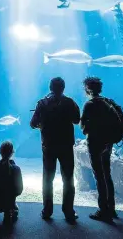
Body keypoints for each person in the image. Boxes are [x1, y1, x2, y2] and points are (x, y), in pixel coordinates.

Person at [30, 77, 80, 224]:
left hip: (48, 145)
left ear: (50, 87)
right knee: (68, 178)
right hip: (66, 145)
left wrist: (42, 124)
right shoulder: (69, 102)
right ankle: (68, 212)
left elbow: (32, 123)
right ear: (63, 88)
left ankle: (47, 211)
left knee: (47, 178)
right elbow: (77, 120)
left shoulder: (42, 103)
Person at [80, 76, 118, 222]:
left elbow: (83, 127)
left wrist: (87, 128)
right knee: (107, 175)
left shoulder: (89, 105)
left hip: (95, 143)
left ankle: (103, 210)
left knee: (99, 176)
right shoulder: (107, 103)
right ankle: (112, 209)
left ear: (88, 89)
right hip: (108, 144)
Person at [0, 141, 23, 225]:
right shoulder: (16, 169)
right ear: (12, 152)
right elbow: (19, 190)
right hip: (9, 201)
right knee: (15, 208)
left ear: (0, 152)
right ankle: (8, 213)